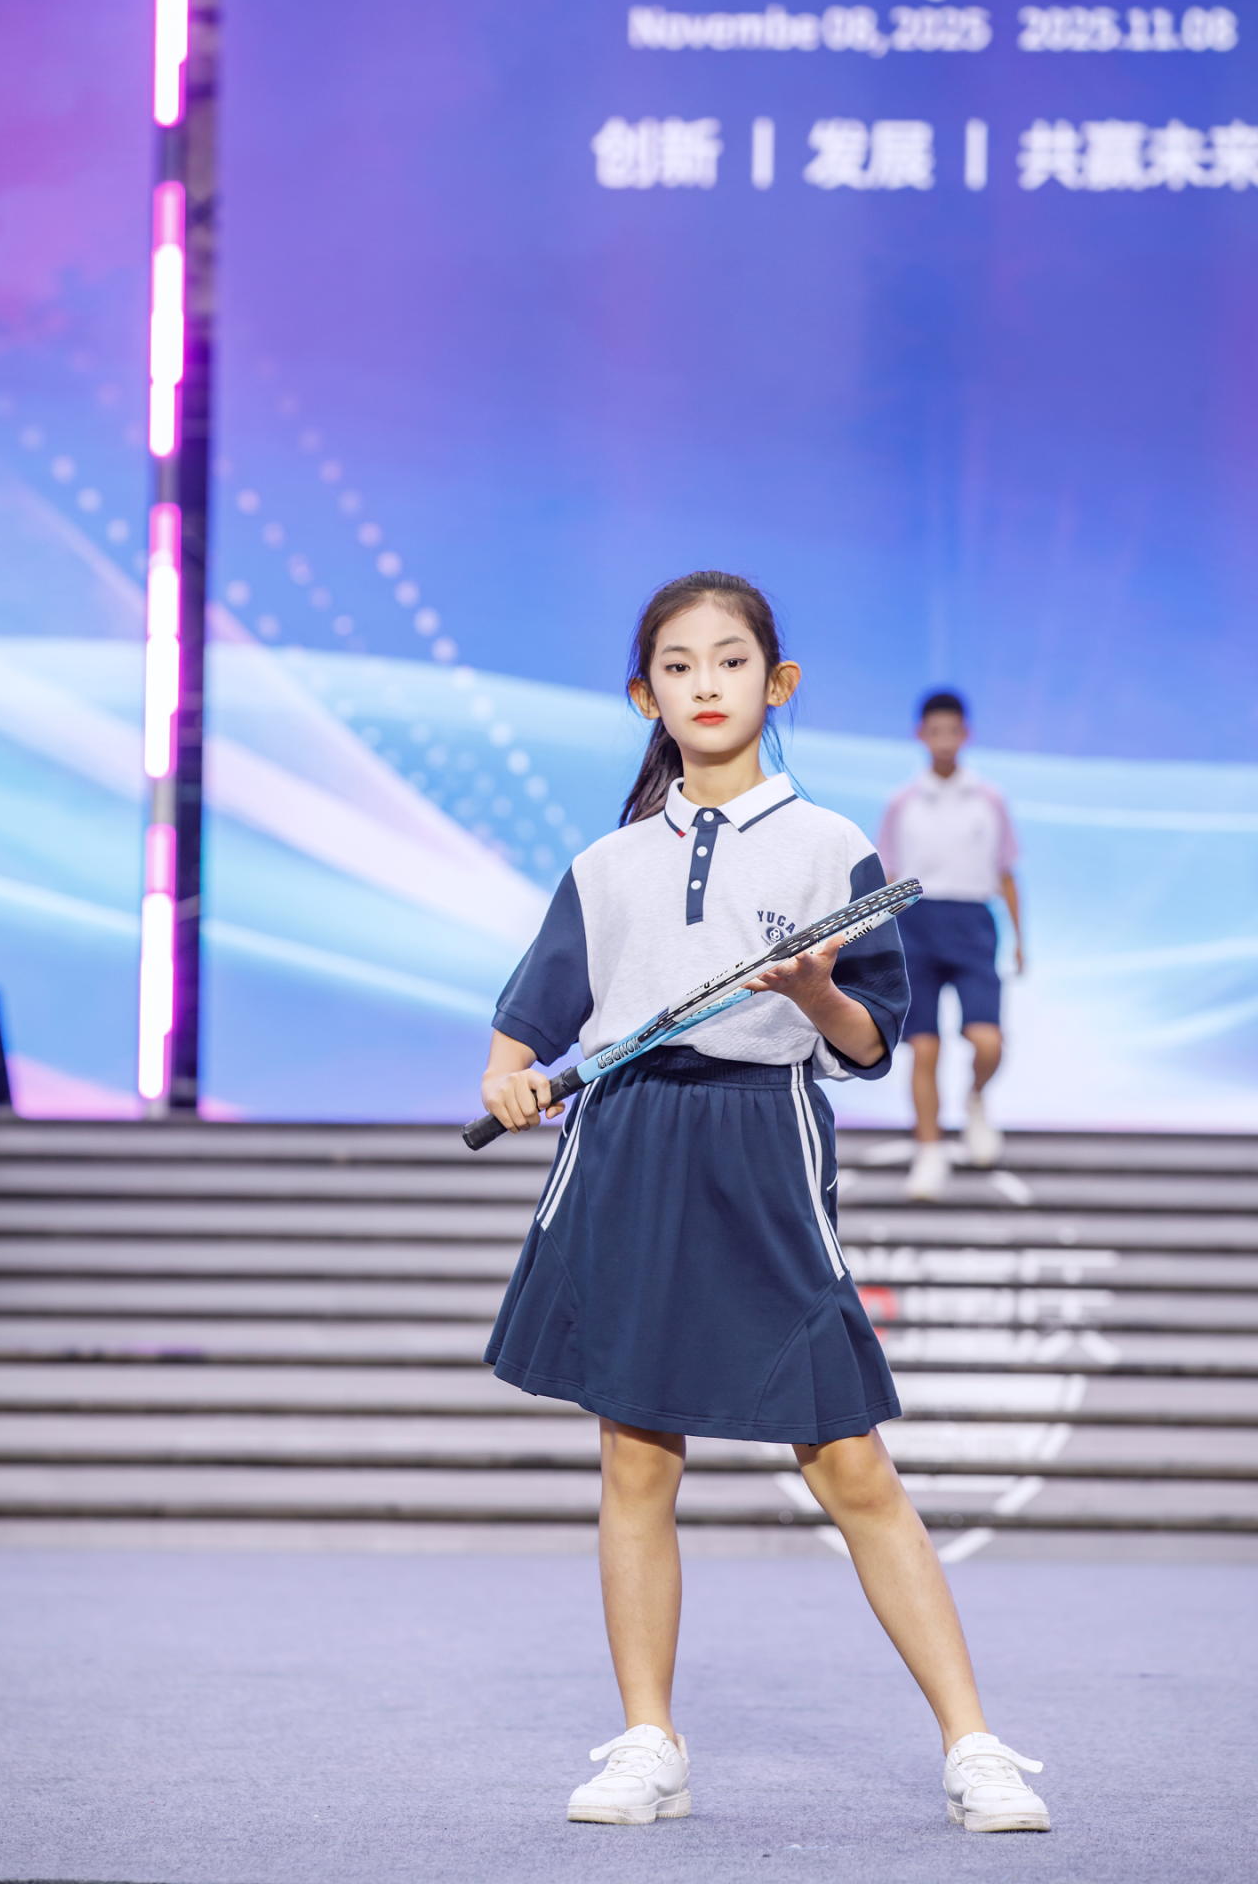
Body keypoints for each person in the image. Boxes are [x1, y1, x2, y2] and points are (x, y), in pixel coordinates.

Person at [478, 576, 1049, 1835]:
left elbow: (867, 1042)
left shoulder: (831, 847)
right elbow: (525, 1028)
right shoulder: (604, 864)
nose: (705, 684)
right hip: (626, 1145)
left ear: (774, 683)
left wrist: (810, 994)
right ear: (645, 696)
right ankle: (649, 1741)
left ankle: (974, 1745)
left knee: (847, 1457)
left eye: (729, 661)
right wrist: (507, 1080)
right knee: (635, 1454)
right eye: (677, 666)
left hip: (761, 1147)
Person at [878, 691, 1023, 1202]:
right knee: (924, 1048)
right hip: (915, 925)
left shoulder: (990, 799)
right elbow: (889, 877)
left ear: (966, 735)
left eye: (952, 731)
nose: (943, 741)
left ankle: (976, 1099)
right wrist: (876, 943)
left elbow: (1006, 871)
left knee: (988, 1042)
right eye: (934, 732)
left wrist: (1020, 940)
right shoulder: (902, 802)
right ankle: (930, 1151)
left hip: (973, 924)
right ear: (921, 735)